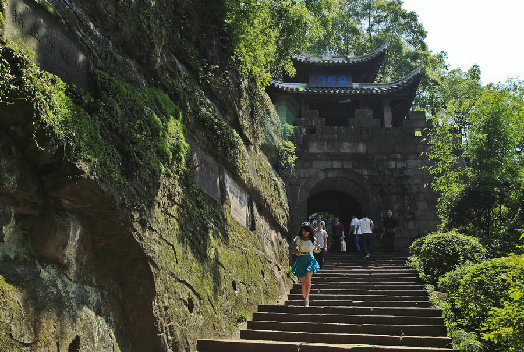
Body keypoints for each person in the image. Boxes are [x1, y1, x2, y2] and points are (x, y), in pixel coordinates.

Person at [291, 222, 320, 306]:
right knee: (303, 282)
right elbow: (293, 250)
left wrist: (317, 250)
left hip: (310, 259)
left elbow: (314, 249)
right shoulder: (298, 239)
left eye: (307, 231)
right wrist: (296, 252)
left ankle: (307, 298)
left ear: (309, 231)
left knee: (308, 277)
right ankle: (305, 297)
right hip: (301, 260)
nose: (305, 233)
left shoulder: (312, 239)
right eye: (303, 231)